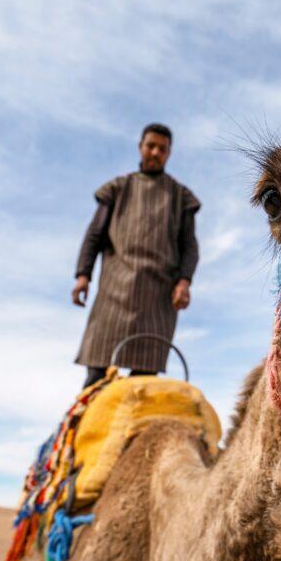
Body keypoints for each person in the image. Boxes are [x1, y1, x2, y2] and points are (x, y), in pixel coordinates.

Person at [72, 123, 200, 388]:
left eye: (162, 149)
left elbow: (189, 246)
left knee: (142, 385)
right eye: (150, 146)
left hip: (158, 298)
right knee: (96, 379)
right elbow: (94, 236)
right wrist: (83, 275)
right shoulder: (119, 188)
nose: (155, 152)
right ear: (140, 147)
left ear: (169, 153)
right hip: (114, 293)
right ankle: (81, 428)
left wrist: (184, 282)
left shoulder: (180, 197)